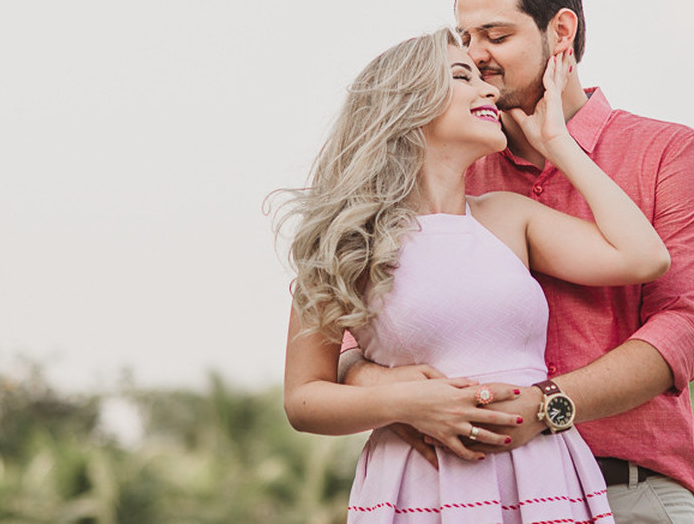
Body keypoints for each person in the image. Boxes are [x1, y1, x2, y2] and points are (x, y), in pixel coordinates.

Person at [341, 0, 694, 523]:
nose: (478, 57)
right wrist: (397, 395)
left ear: (561, 33)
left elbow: (684, 329)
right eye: (466, 40)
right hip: (467, 491)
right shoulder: (452, 166)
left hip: (626, 488)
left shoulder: (669, 153)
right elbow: (354, 325)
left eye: (496, 37)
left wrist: (549, 406)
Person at [281, 27, 671, 523]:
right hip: (421, 487)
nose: (489, 89)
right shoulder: (345, 242)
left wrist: (558, 143)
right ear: (408, 104)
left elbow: (644, 257)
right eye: (462, 75)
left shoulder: (507, 217)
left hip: (544, 476)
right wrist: (406, 404)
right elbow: (303, 399)